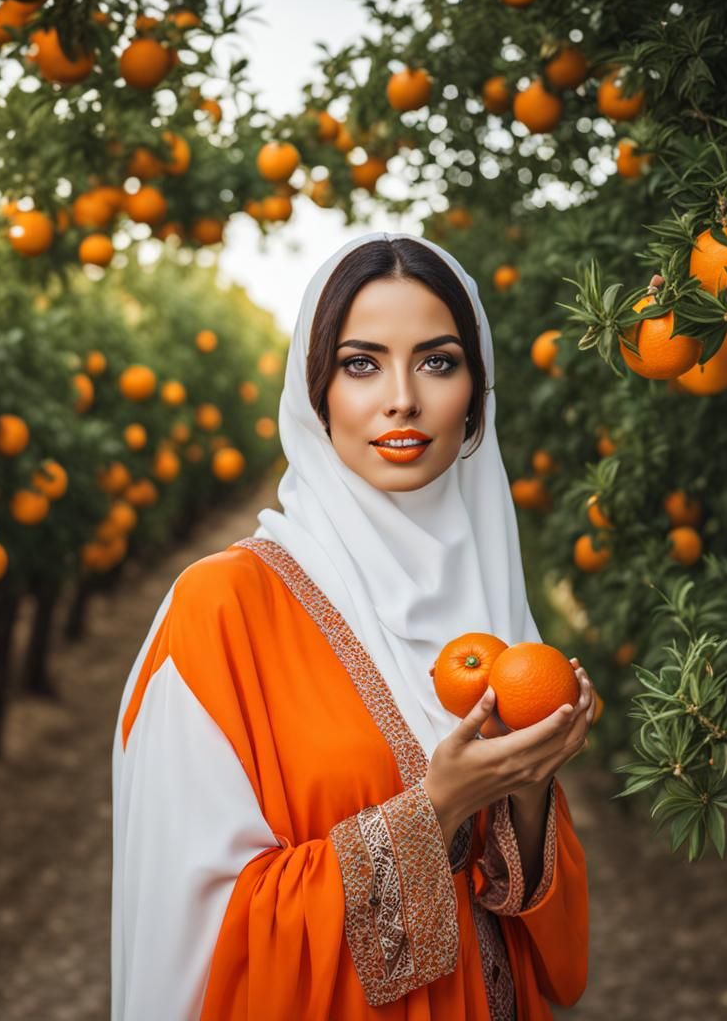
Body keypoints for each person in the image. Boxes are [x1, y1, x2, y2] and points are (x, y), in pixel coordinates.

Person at [110, 231, 594, 1020]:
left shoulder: (494, 608)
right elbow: (195, 937)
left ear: (477, 391)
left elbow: (550, 958)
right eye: (360, 363)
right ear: (316, 391)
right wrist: (435, 806)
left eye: (438, 361)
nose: (401, 397)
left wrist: (528, 785)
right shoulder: (223, 609)